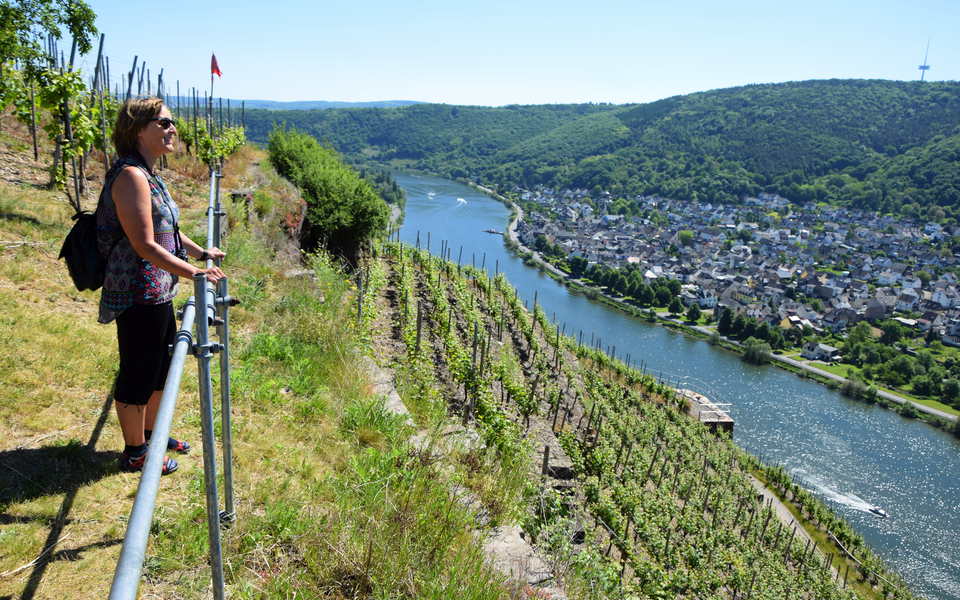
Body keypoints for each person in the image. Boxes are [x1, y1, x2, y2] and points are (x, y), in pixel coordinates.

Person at [97, 96, 226, 475]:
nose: (173, 130)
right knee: (139, 371)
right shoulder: (130, 176)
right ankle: (135, 452)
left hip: (158, 290)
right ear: (138, 129)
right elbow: (144, 244)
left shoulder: (148, 173)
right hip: (137, 292)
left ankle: (150, 434)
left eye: (173, 123)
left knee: (161, 366)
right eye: (164, 123)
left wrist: (200, 253)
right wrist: (195, 275)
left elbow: (169, 230)